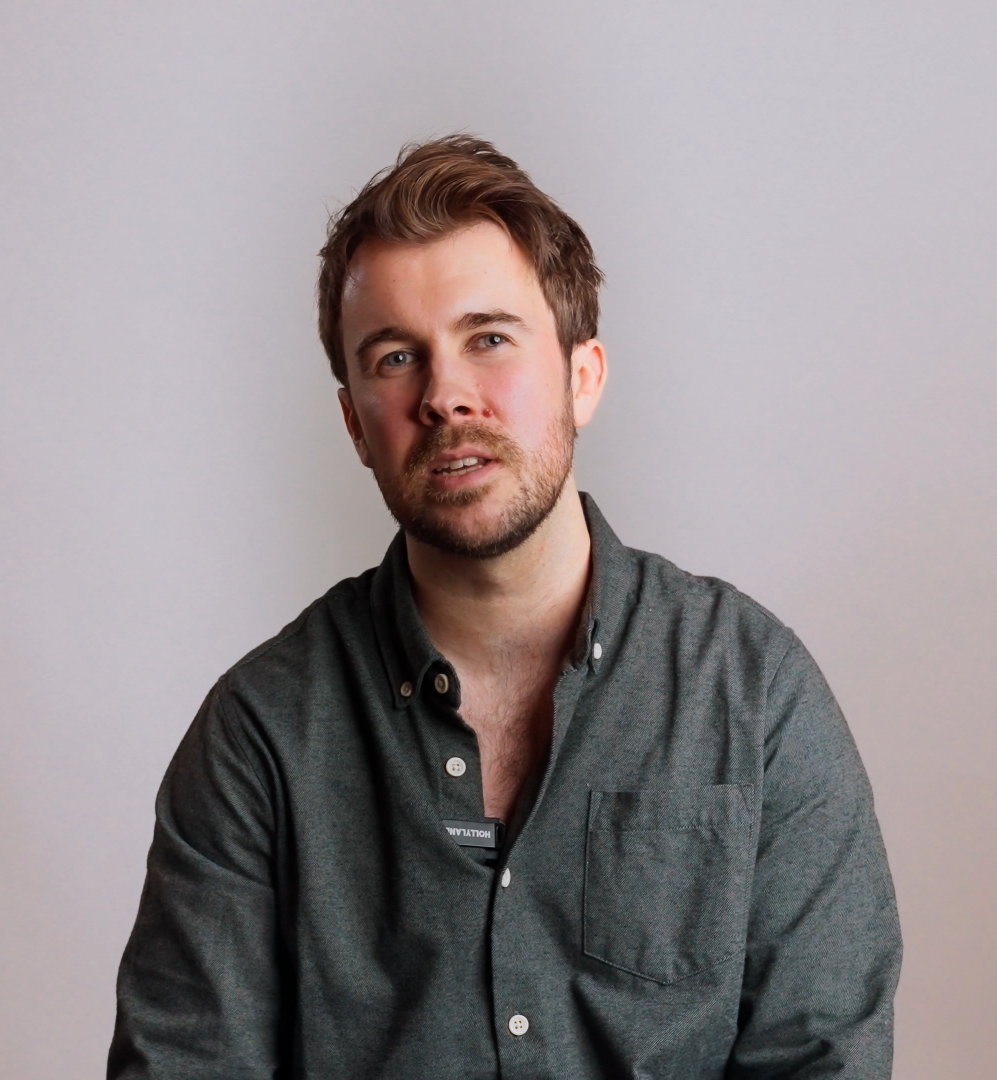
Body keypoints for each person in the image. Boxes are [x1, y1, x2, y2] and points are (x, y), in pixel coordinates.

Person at [108, 135, 902, 1079]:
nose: (445, 396)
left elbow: (822, 1057)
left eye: (488, 338)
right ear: (355, 423)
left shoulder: (753, 694)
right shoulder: (262, 733)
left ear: (581, 376)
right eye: (396, 357)